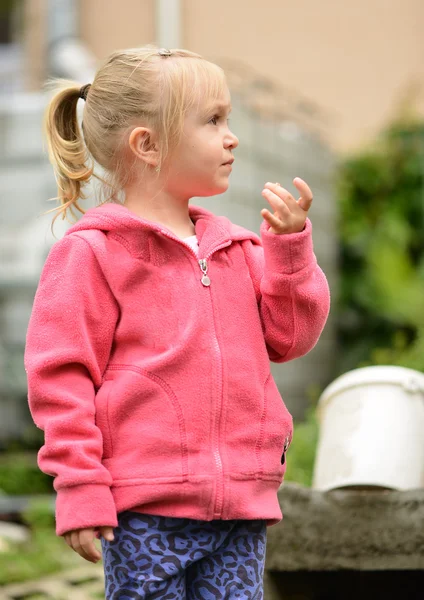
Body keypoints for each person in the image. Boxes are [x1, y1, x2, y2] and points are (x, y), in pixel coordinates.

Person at [24, 45, 330, 599]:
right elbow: (61, 380)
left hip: (240, 509)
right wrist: (80, 486)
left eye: (228, 118)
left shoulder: (239, 250)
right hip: (145, 512)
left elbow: (290, 338)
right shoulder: (94, 254)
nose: (231, 136)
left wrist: (288, 253)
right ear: (147, 144)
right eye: (213, 120)